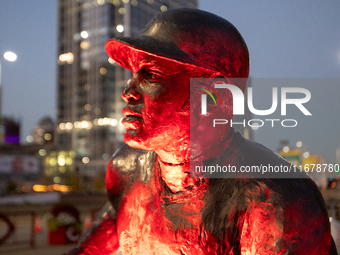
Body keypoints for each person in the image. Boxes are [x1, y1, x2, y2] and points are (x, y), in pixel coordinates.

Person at [65, 8, 336, 255]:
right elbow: (108, 231)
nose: (128, 92)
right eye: (134, 74)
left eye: (152, 75)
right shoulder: (125, 169)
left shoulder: (277, 199)